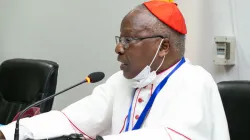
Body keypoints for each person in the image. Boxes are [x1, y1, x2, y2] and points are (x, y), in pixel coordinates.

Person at [0, 0, 230, 139]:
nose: (118, 48)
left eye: (129, 40)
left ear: (164, 46)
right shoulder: (122, 81)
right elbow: (73, 120)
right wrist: (11, 132)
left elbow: (175, 137)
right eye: (120, 38)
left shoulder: (195, 81)